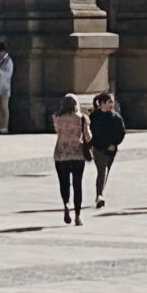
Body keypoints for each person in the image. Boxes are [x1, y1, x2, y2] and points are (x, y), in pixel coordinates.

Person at [53, 92, 91, 225]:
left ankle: (66, 204)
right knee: (77, 184)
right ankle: (78, 216)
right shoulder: (82, 118)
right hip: (77, 154)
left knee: (64, 183)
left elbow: (57, 130)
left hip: (60, 154)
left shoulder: (57, 117)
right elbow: (88, 137)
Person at [89, 90, 125, 207]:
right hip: (98, 148)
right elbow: (92, 133)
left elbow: (121, 133)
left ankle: (100, 193)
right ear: (102, 103)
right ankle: (100, 195)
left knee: (105, 171)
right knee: (101, 171)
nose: (112, 105)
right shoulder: (94, 116)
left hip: (112, 149)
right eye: (109, 102)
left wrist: (114, 143)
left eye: (112, 102)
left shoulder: (116, 118)